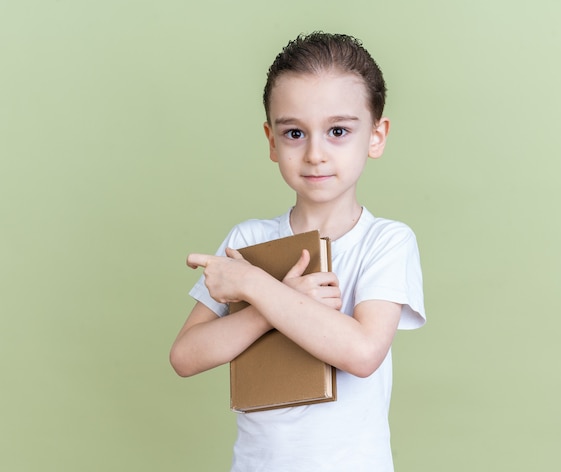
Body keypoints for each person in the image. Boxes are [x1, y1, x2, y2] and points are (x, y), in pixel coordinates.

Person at [170, 32, 426, 472]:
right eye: (294, 133)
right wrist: (266, 308)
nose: (315, 154)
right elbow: (186, 356)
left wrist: (254, 284)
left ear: (376, 136)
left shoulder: (386, 241)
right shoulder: (247, 239)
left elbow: (362, 353)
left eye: (338, 131)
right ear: (272, 141)